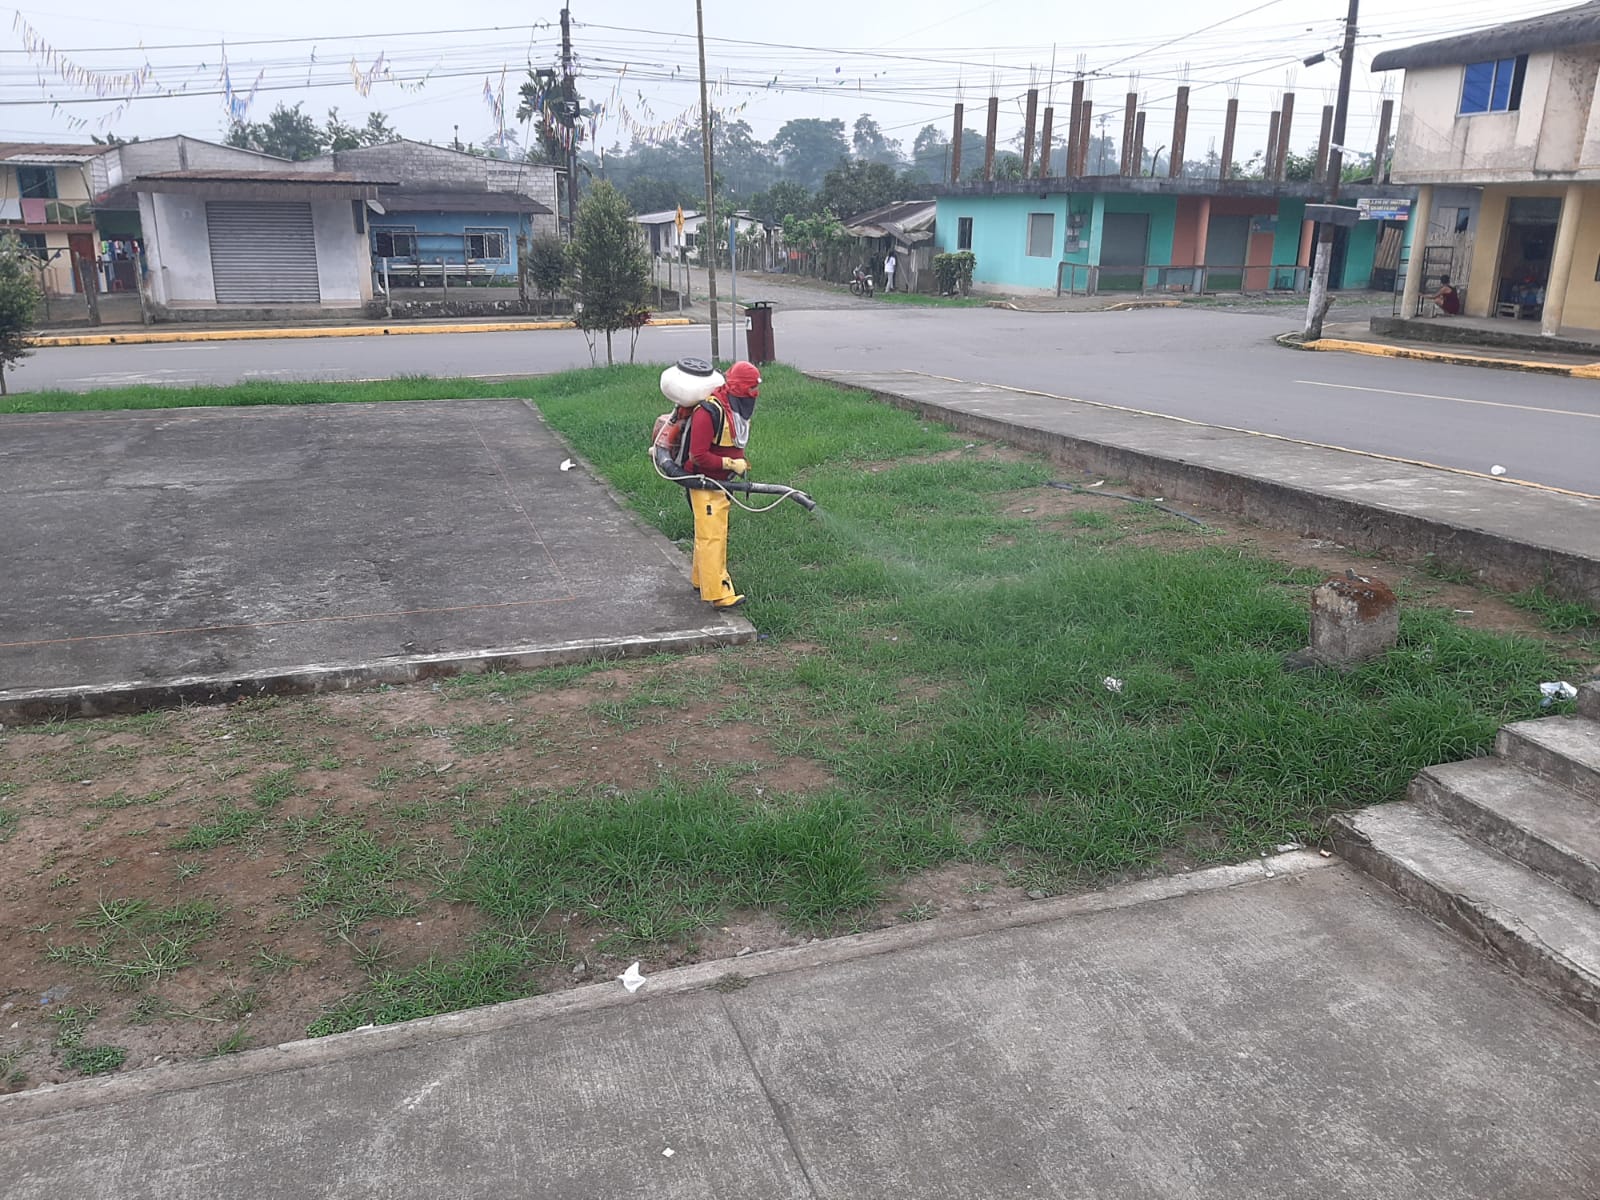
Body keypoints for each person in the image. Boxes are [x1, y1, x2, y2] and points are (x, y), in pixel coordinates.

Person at [686, 360, 761, 610]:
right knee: (713, 537)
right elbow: (698, 455)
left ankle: (700, 579)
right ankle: (719, 594)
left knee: (708, 531)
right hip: (704, 483)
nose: (755, 394)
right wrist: (729, 463)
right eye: (751, 389)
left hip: (721, 484)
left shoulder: (735, 408)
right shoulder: (708, 413)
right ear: (738, 388)